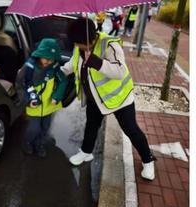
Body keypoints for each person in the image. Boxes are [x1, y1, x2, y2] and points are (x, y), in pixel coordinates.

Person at [62, 18, 156, 180]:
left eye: (78, 43)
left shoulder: (110, 45)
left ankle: (148, 160)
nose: (76, 46)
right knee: (91, 126)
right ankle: (86, 152)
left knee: (131, 130)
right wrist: (59, 72)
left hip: (119, 99)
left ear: (89, 39)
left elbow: (120, 71)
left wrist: (97, 62)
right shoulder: (80, 47)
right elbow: (72, 64)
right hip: (96, 99)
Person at [20, 38, 68, 157]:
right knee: (34, 128)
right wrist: (27, 100)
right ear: (39, 54)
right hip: (35, 104)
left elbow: (63, 81)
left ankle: (39, 144)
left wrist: (56, 96)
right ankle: (28, 142)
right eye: (46, 58)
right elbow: (20, 85)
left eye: (51, 59)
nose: (48, 62)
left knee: (45, 127)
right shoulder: (29, 67)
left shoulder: (54, 67)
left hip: (49, 105)